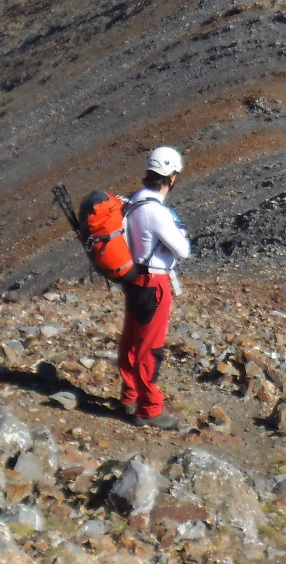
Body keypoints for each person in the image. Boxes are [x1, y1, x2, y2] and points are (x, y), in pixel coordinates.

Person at [118, 145, 190, 428]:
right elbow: (182, 250)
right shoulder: (156, 211)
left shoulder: (133, 201)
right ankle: (149, 409)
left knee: (132, 340)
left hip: (133, 278)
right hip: (155, 282)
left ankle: (130, 395)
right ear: (171, 176)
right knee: (150, 346)